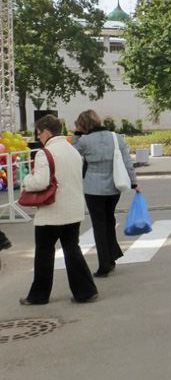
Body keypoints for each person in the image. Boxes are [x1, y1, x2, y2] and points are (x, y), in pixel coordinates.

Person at [20, 115, 99, 305]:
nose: (39, 138)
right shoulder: (72, 150)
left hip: (52, 211)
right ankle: (86, 291)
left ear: (46, 132)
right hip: (73, 208)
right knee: (72, 249)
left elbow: (40, 182)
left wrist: (27, 180)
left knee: (44, 253)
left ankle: (38, 296)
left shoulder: (45, 153)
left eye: (39, 133)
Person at [72, 109, 140, 277]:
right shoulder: (115, 137)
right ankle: (111, 258)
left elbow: (73, 153)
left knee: (99, 225)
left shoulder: (85, 141)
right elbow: (127, 162)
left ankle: (104, 265)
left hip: (93, 189)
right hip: (114, 186)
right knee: (110, 221)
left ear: (83, 125)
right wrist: (134, 182)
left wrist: (77, 134)